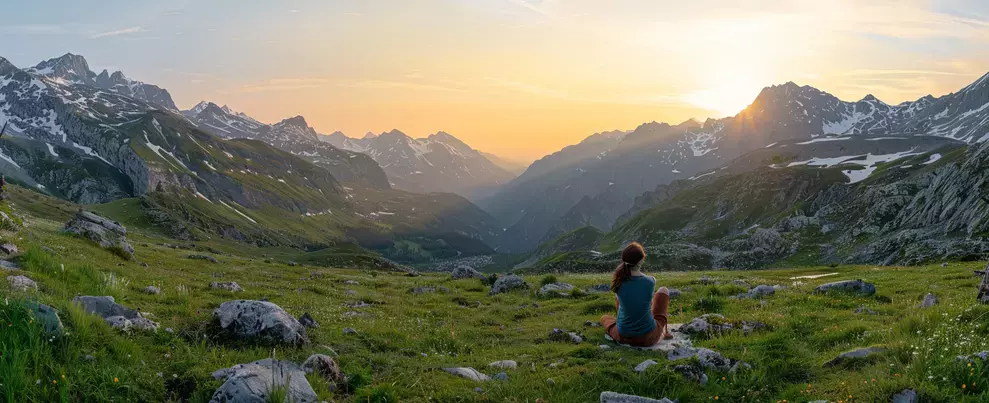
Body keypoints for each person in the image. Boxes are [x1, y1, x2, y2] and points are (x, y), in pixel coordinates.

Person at [599, 242, 672, 346]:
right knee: (663, 290)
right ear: (641, 261)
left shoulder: (619, 282)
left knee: (604, 318)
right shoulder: (650, 281)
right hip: (648, 337)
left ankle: (625, 321)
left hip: (623, 336)